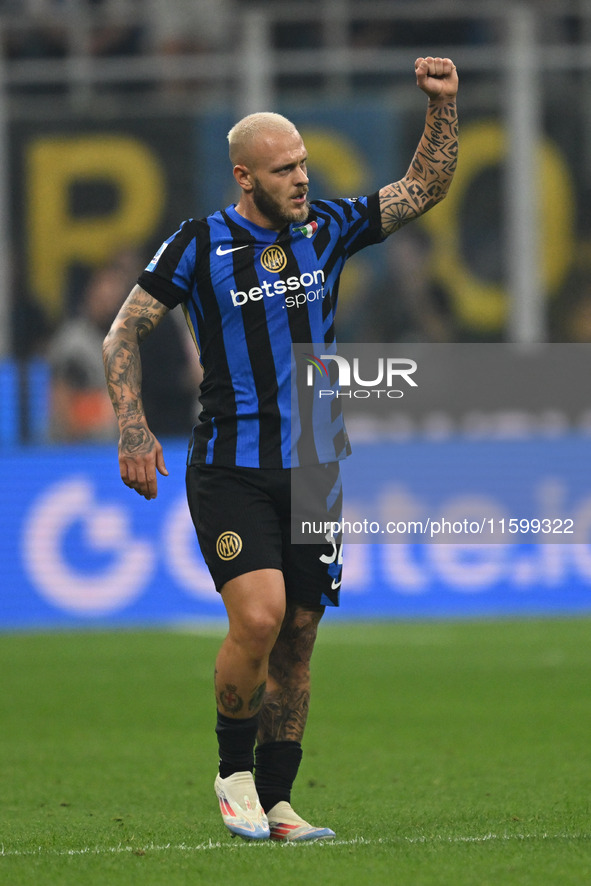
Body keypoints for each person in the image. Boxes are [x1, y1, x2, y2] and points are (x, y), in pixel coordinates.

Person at [102, 57, 459, 842]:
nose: (301, 178)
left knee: (299, 631)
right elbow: (125, 329)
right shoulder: (198, 245)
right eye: (284, 169)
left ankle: (280, 802)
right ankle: (232, 778)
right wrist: (131, 426)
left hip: (317, 463)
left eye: (302, 164)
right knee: (258, 617)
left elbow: (422, 188)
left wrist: (443, 107)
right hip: (230, 462)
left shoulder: (326, 229)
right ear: (243, 177)